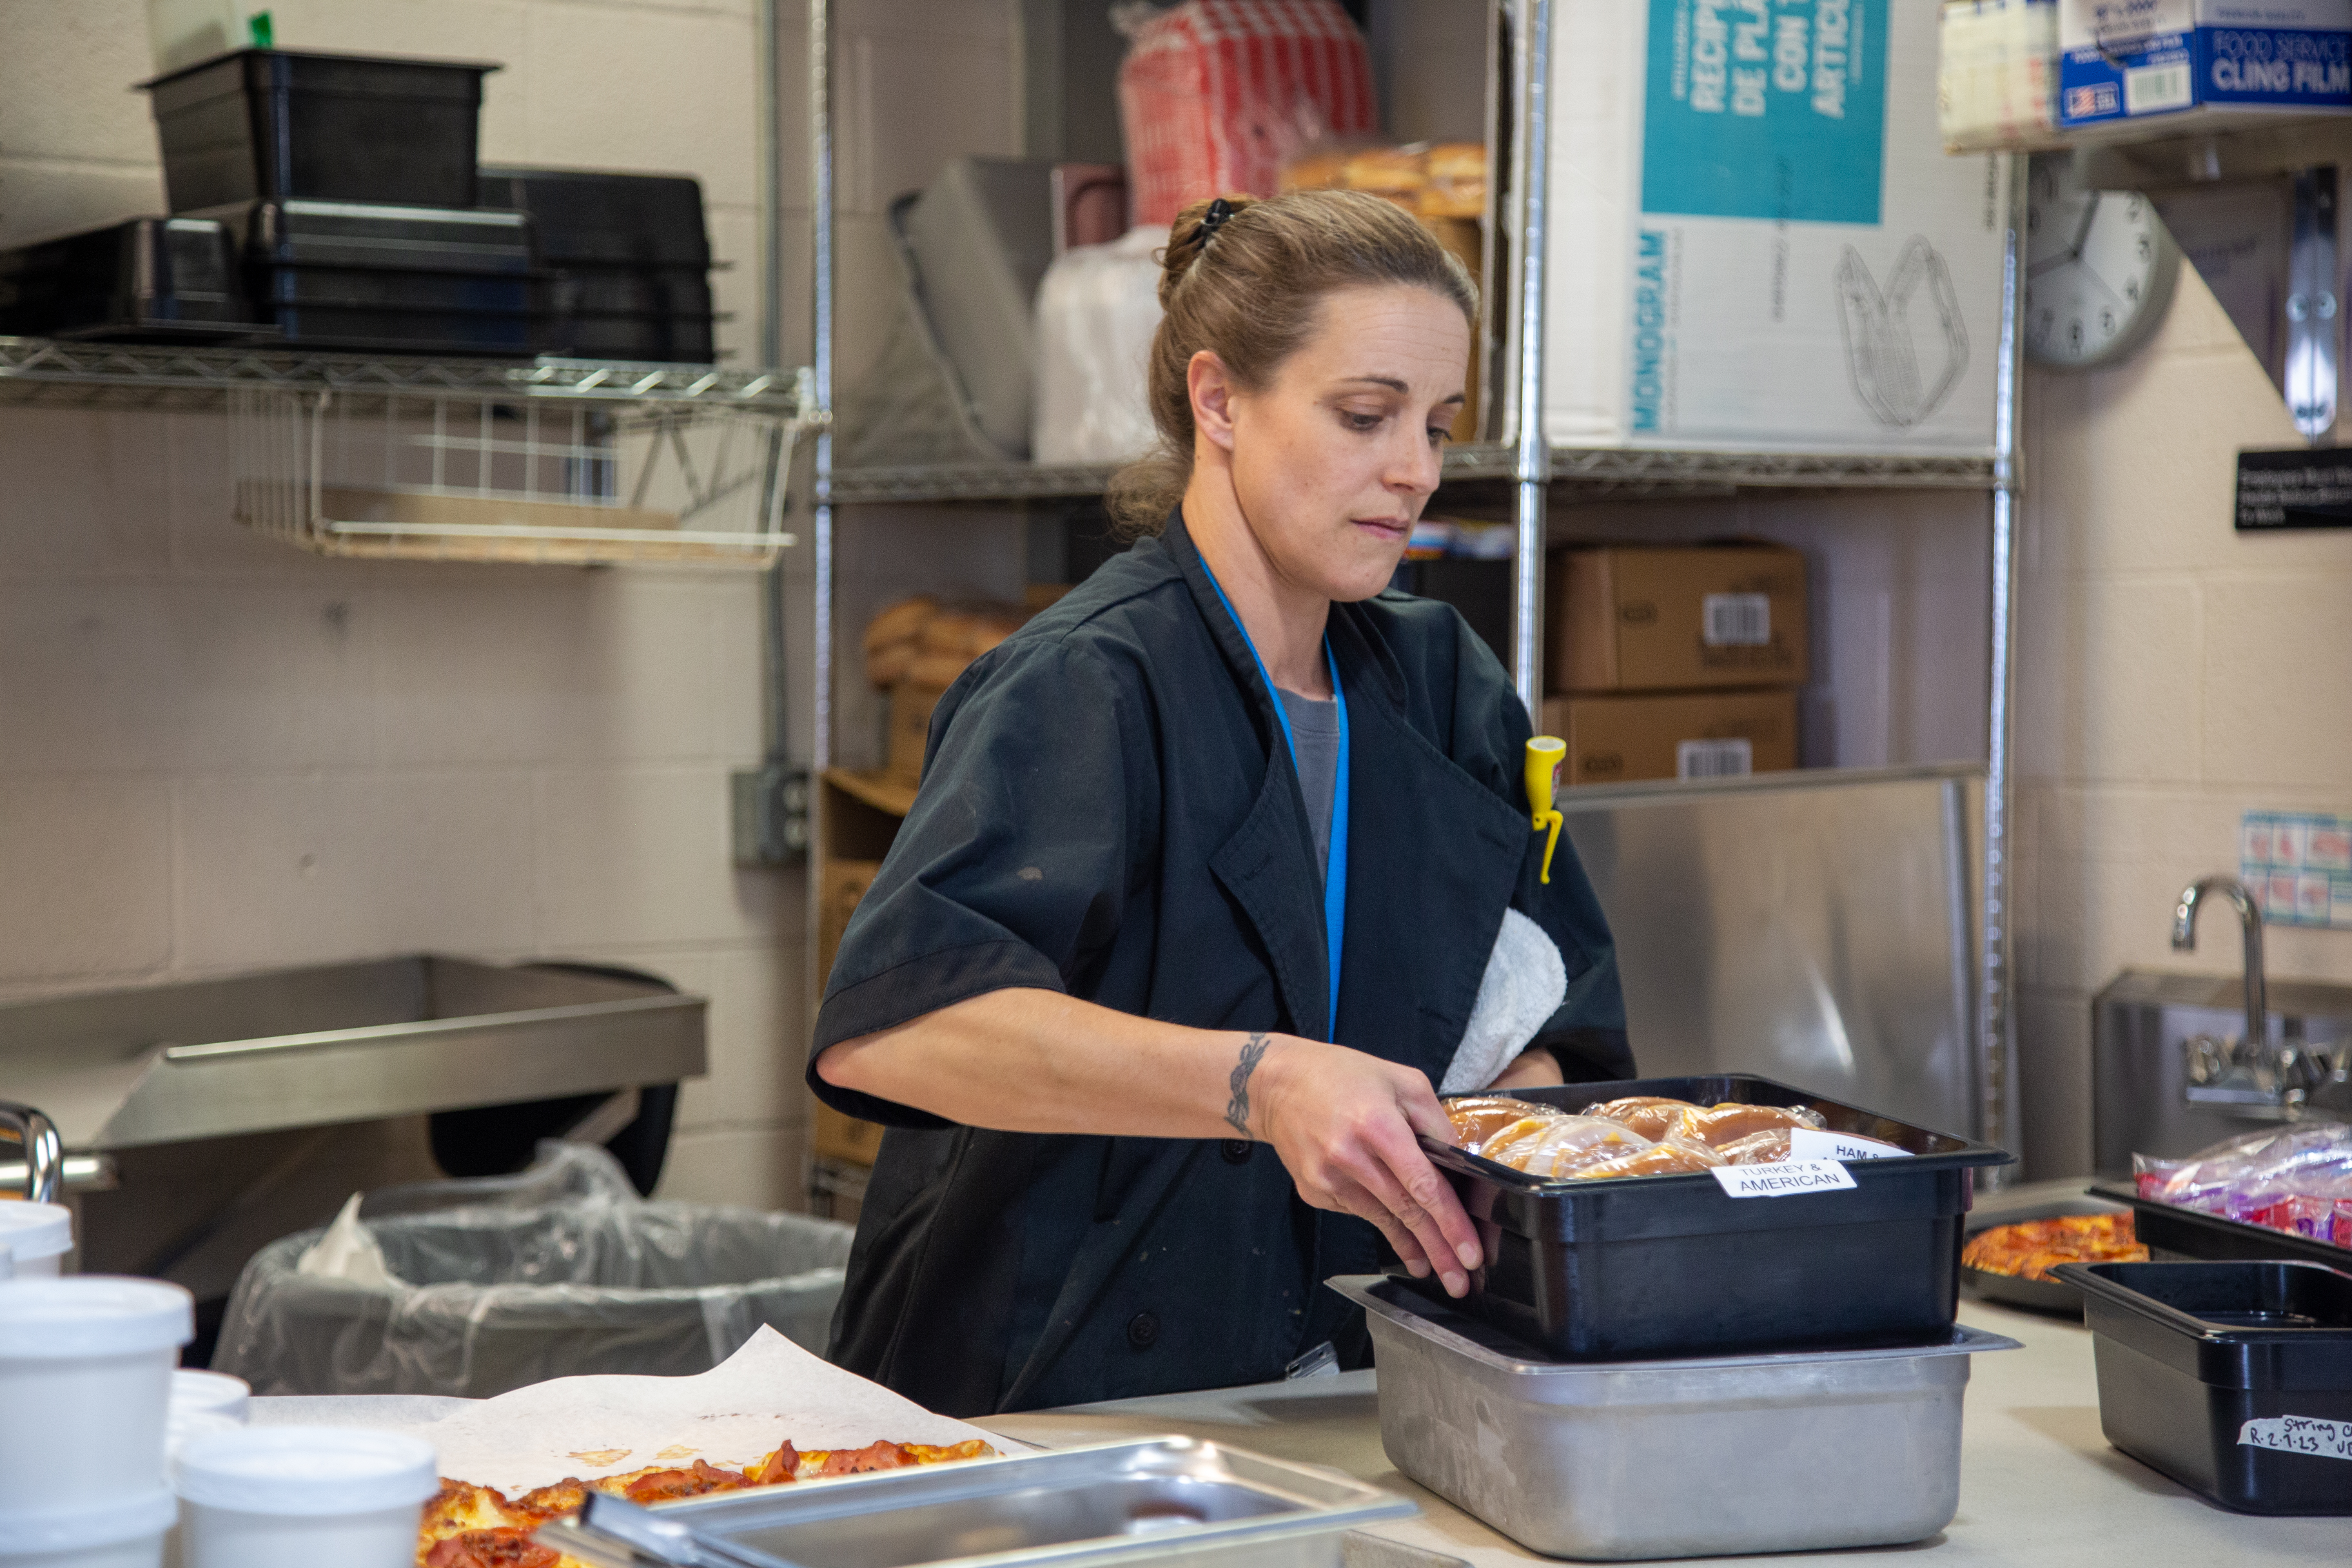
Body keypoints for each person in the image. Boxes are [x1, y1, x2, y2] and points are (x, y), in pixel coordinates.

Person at [808, 189, 1628, 1416]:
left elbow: (1566, 1003)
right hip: (1052, 1395)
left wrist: (1498, 1123)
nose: (1413, 473)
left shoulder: (1446, 685)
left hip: (1360, 1384)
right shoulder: (1087, 681)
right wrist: (1264, 1083)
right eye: (1365, 416)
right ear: (1219, 402)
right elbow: (900, 1027)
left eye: (1439, 428)